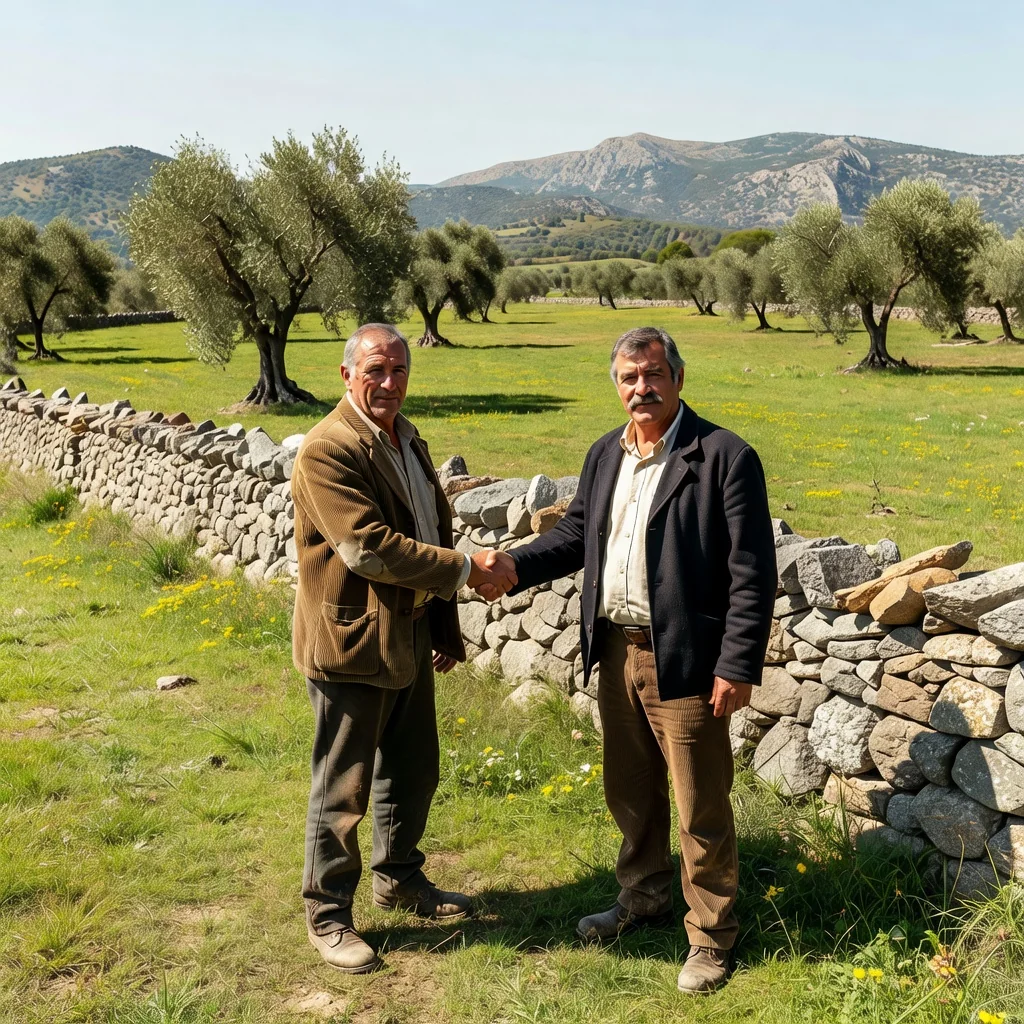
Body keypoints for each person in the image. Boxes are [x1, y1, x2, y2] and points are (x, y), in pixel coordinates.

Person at [480, 326, 776, 994]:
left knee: (700, 803)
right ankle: (642, 896)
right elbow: (577, 536)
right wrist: (511, 566)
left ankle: (710, 937)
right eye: (628, 378)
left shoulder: (724, 456)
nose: (641, 389)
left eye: (652, 375)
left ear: (677, 377)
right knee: (632, 792)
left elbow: (751, 572)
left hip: (688, 658)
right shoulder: (604, 456)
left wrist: (738, 663)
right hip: (616, 651)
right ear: (616, 385)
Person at [290, 323, 517, 973]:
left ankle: (399, 880)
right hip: (351, 642)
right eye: (375, 371)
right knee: (344, 786)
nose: (388, 383)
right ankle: (328, 915)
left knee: (413, 771)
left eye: (398, 371)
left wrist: (440, 627)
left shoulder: (406, 438)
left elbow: (425, 528)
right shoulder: (328, 449)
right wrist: (470, 569)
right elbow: (369, 548)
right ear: (346, 376)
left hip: (409, 633)